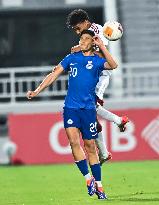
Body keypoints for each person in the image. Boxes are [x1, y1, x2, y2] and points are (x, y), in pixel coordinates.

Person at [26, 30, 118, 199]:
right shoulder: (71, 58)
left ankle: (100, 186)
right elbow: (53, 75)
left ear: (92, 42)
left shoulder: (97, 61)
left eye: (86, 39)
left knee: (90, 147)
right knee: (73, 142)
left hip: (89, 109)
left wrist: (102, 46)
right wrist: (37, 90)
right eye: (81, 38)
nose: (82, 41)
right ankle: (88, 179)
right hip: (71, 108)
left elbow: (113, 65)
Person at [66, 9, 129, 165]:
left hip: (99, 78)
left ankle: (118, 120)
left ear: (86, 22)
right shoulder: (87, 36)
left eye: (77, 28)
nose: (77, 32)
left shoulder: (99, 31)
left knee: (91, 109)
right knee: (89, 116)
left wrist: (80, 49)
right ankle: (105, 152)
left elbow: (101, 55)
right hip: (90, 79)